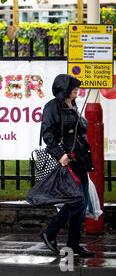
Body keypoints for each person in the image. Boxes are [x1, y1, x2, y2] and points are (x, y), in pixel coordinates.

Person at [39, 74, 95, 257]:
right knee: (77, 201)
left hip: (80, 159)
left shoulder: (73, 105)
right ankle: (50, 232)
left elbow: (79, 129)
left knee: (82, 202)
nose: (77, 90)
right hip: (67, 160)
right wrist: (60, 155)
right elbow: (47, 135)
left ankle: (73, 244)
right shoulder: (52, 107)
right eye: (74, 87)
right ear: (65, 88)